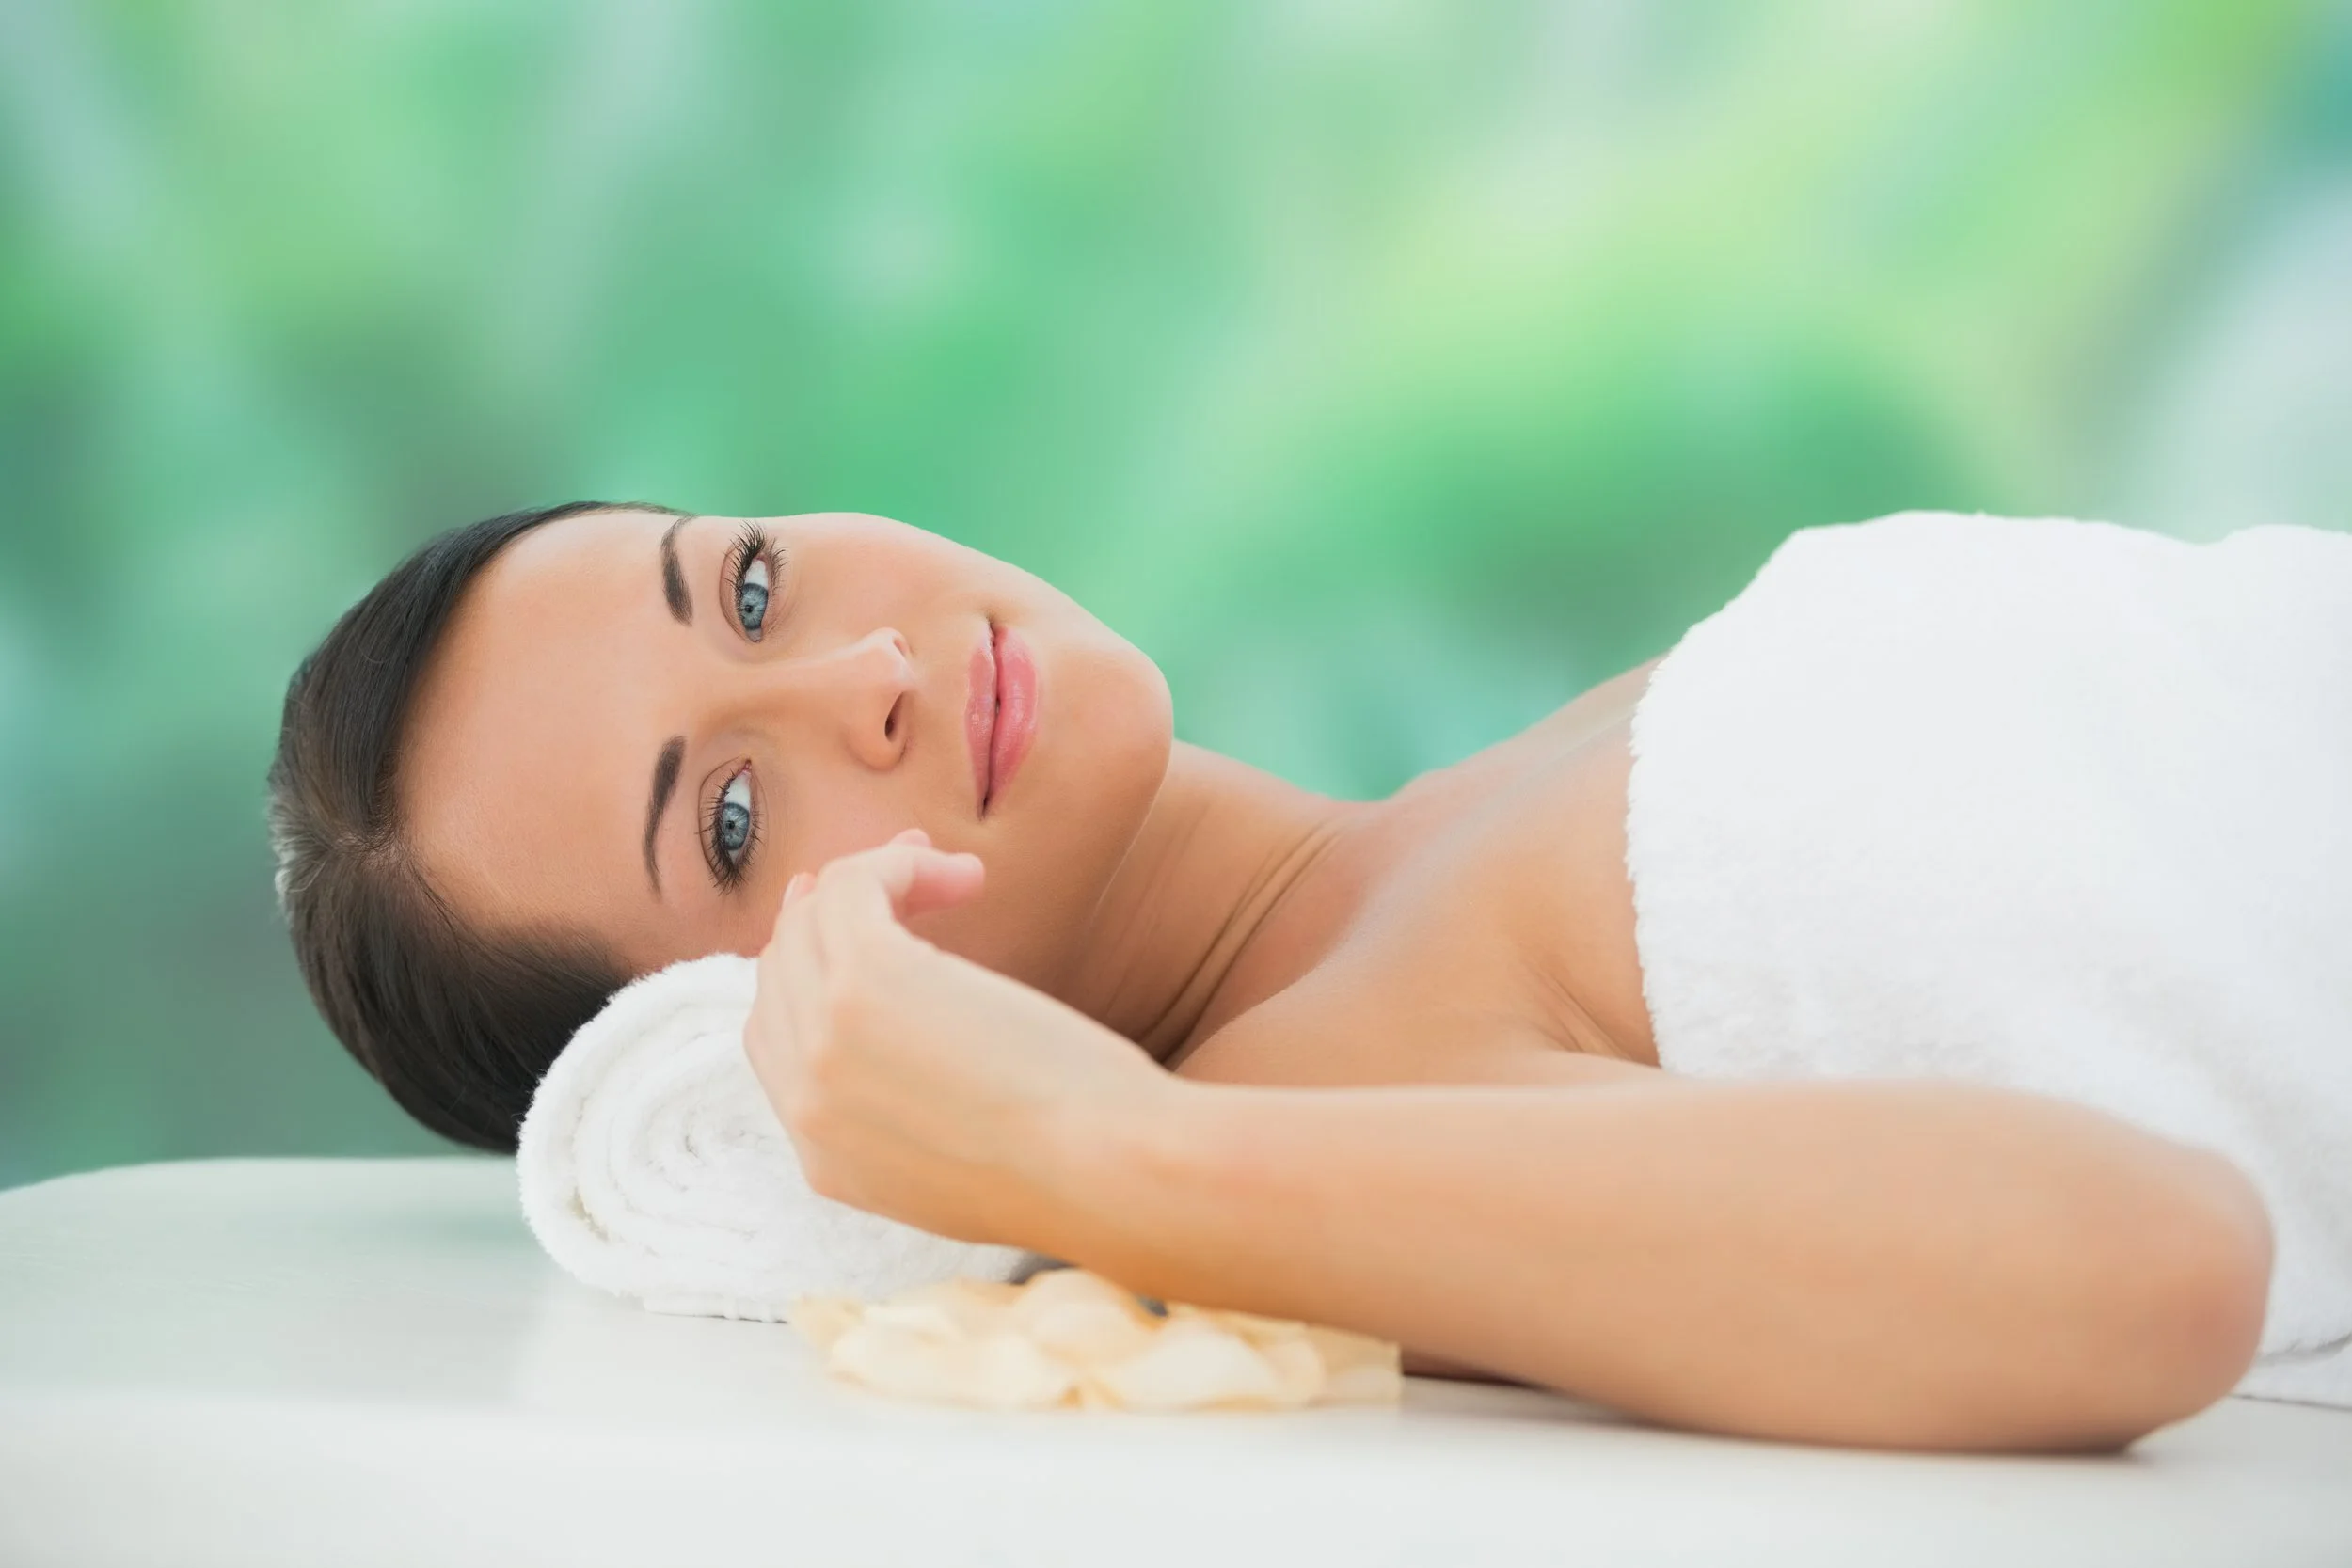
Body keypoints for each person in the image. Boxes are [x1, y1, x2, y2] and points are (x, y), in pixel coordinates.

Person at [268, 501, 2317, 1452]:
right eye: (727, 817)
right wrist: (1097, 1150)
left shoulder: (1444, 823)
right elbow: (2153, 1268)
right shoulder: (1312, 1102)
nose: (863, 675)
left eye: (745, 583)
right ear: (730, 1062)